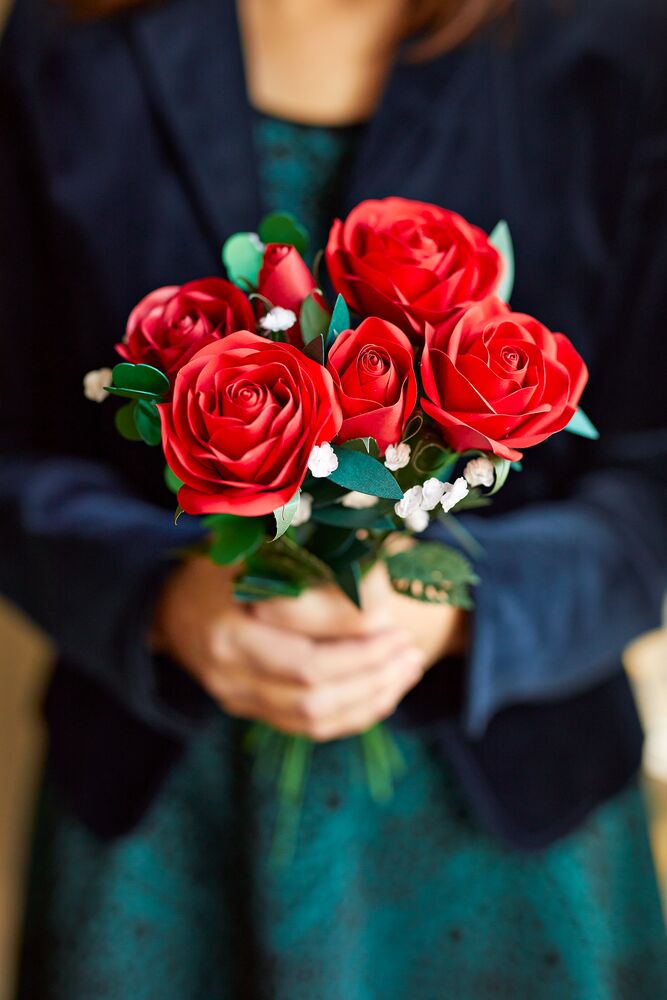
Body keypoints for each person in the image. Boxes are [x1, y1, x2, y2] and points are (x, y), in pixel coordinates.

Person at [1, 0, 666, 996]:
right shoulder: (65, 37)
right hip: (160, 823)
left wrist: (449, 607)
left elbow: (653, 476)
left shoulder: (617, 37)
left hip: (511, 829)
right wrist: (159, 597)